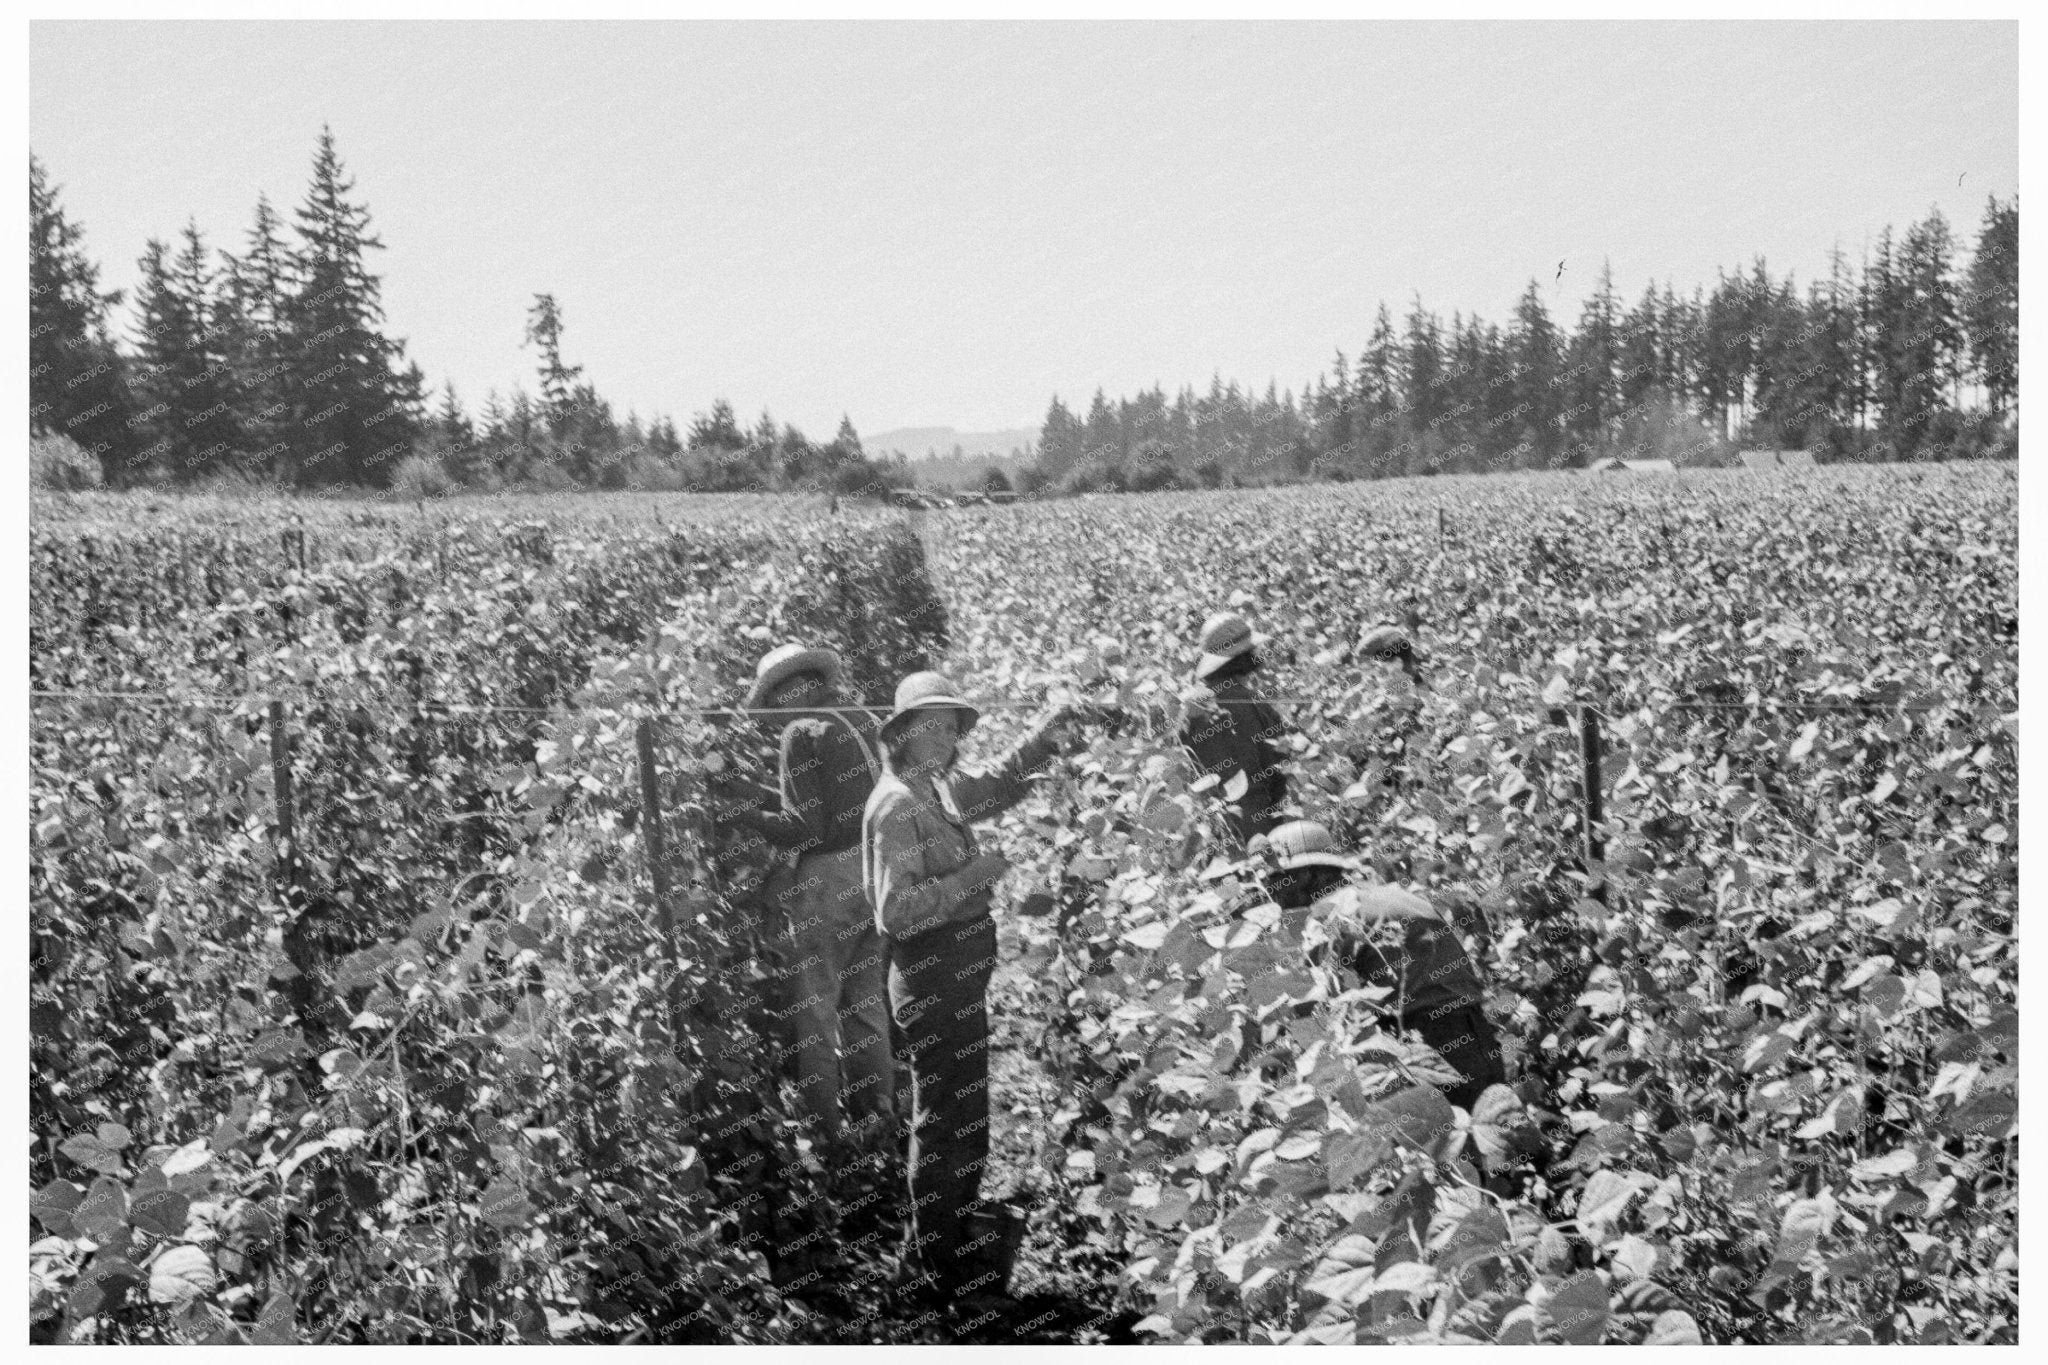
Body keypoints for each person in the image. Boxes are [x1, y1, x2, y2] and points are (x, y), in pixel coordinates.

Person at [861, 671, 1097, 1311]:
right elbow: (896, 913)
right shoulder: (896, 806)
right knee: (946, 1123)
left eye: (950, 726)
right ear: (901, 734)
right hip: (931, 976)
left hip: (953, 974)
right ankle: (933, 1276)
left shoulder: (931, 790)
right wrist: (975, 875)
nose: (942, 736)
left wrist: (1051, 735)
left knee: (963, 1120)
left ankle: (934, 1262)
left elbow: (997, 785)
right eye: (928, 725)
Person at [720, 643, 895, 1150]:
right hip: (875, 870)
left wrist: (742, 811)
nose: (775, 712)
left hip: (827, 882)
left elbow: (804, 827)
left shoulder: (803, 731)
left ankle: (826, 1137)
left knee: (816, 1009)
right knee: (865, 1003)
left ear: (790, 690)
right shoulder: (862, 718)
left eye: (776, 699)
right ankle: (879, 1122)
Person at [1259, 820, 1505, 1111]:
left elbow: (1319, 1016)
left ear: (1309, 875)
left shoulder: (1330, 918)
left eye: (1279, 880)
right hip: (1477, 1036)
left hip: (1422, 1047)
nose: (1271, 891)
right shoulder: (1392, 897)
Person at [1180, 609, 1293, 848]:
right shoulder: (1245, 702)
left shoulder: (1192, 706)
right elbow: (1260, 773)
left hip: (1212, 831)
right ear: (1243, 657)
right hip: (1258, 828)